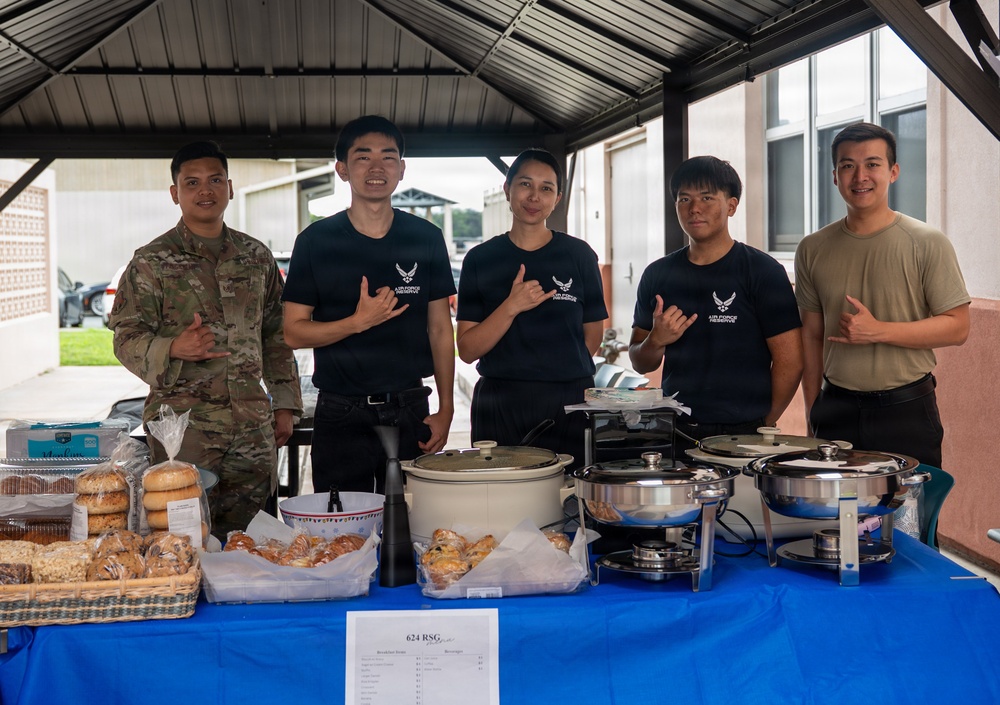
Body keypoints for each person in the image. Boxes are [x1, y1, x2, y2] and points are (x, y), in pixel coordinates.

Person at [109, 141, 302, 539]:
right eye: (192, 182)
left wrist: (284, 404)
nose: (205, 191)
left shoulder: (255, 256)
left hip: (251, 427)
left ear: (229, 188)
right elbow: (126, 337)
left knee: (251, 540)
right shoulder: (151, 261)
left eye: (215, 180)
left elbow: (275, 335)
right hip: (183, 430)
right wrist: (173, 348)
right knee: (182, 538)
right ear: (175, 193)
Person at [281, 115, 455, 495]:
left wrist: (446, 408)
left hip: (410, 405)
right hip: (341, 410)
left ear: (402, 169)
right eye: (363, 157)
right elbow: (293, 331)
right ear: (342, 169)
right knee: (343, 534)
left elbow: (440, 328)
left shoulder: (425, 237)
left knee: (412, 526)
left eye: (388, 157)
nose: (377, 168)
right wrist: (357, 322)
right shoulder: (316, 241)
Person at [794, 122, 970, 468]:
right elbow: (811, 336)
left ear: (893, 172)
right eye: (848, 166)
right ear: (835, 176)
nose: (860, 176)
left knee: (909, 519)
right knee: (837, 519)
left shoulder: (926, 242)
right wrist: (813, 411)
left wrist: (879, 331)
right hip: (836, 411)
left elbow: (958, 327)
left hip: (906, 410)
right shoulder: (812, 249)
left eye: (872, 164)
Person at [629, 156, 803, 452]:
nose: (694, 208)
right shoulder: (658, 274)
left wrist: (764, 421)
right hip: (677, 428)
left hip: (746, 431)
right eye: (684, 198)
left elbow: (790, 360)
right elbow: (640, 362)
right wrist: (655, 341)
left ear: (731, 205)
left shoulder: (762, 271)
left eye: (707, 197)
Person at [456, 149, 607, 466]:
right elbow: (468, 349)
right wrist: (511, 306)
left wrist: (559, 371)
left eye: (546, 188)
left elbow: (592, 334)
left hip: (568, 401)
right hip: (500, 402)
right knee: (501, 503)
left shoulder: (579, 256)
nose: (534, 196)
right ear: (507, 189)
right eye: (525, 184)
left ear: (557, 198)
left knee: (566, 502)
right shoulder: (481, 260)